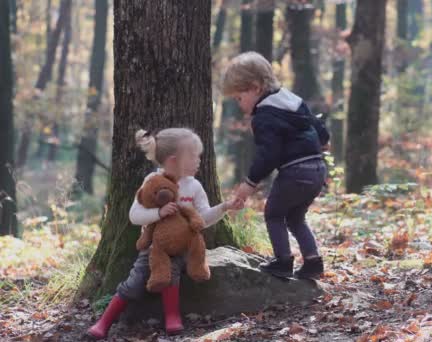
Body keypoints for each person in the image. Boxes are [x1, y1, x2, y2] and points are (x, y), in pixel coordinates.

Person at [87, 128, 242, 339]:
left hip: (182, 246)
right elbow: (135, 215)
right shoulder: (153, 181)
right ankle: (104, 322)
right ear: (173, 160)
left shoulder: (194, 186)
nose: (199, 160)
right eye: (194, 155)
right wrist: (159, 213)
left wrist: (224, 207)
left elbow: (202, 219)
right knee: (134, 283)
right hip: (154, 247)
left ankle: (172, 316)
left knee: (173, 273)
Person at [222, 51, 329, 280]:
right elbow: (315, 123)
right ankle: (313, 262)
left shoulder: (264, 117)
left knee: (273, 214)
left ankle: (283, 261)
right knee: (296, 216)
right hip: (318, 170)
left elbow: (268, 154)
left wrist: (249, 183)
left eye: (239, 98)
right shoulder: (291, 99)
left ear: (255, 87)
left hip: (296, 172)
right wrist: (323, 140)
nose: (240, 105)